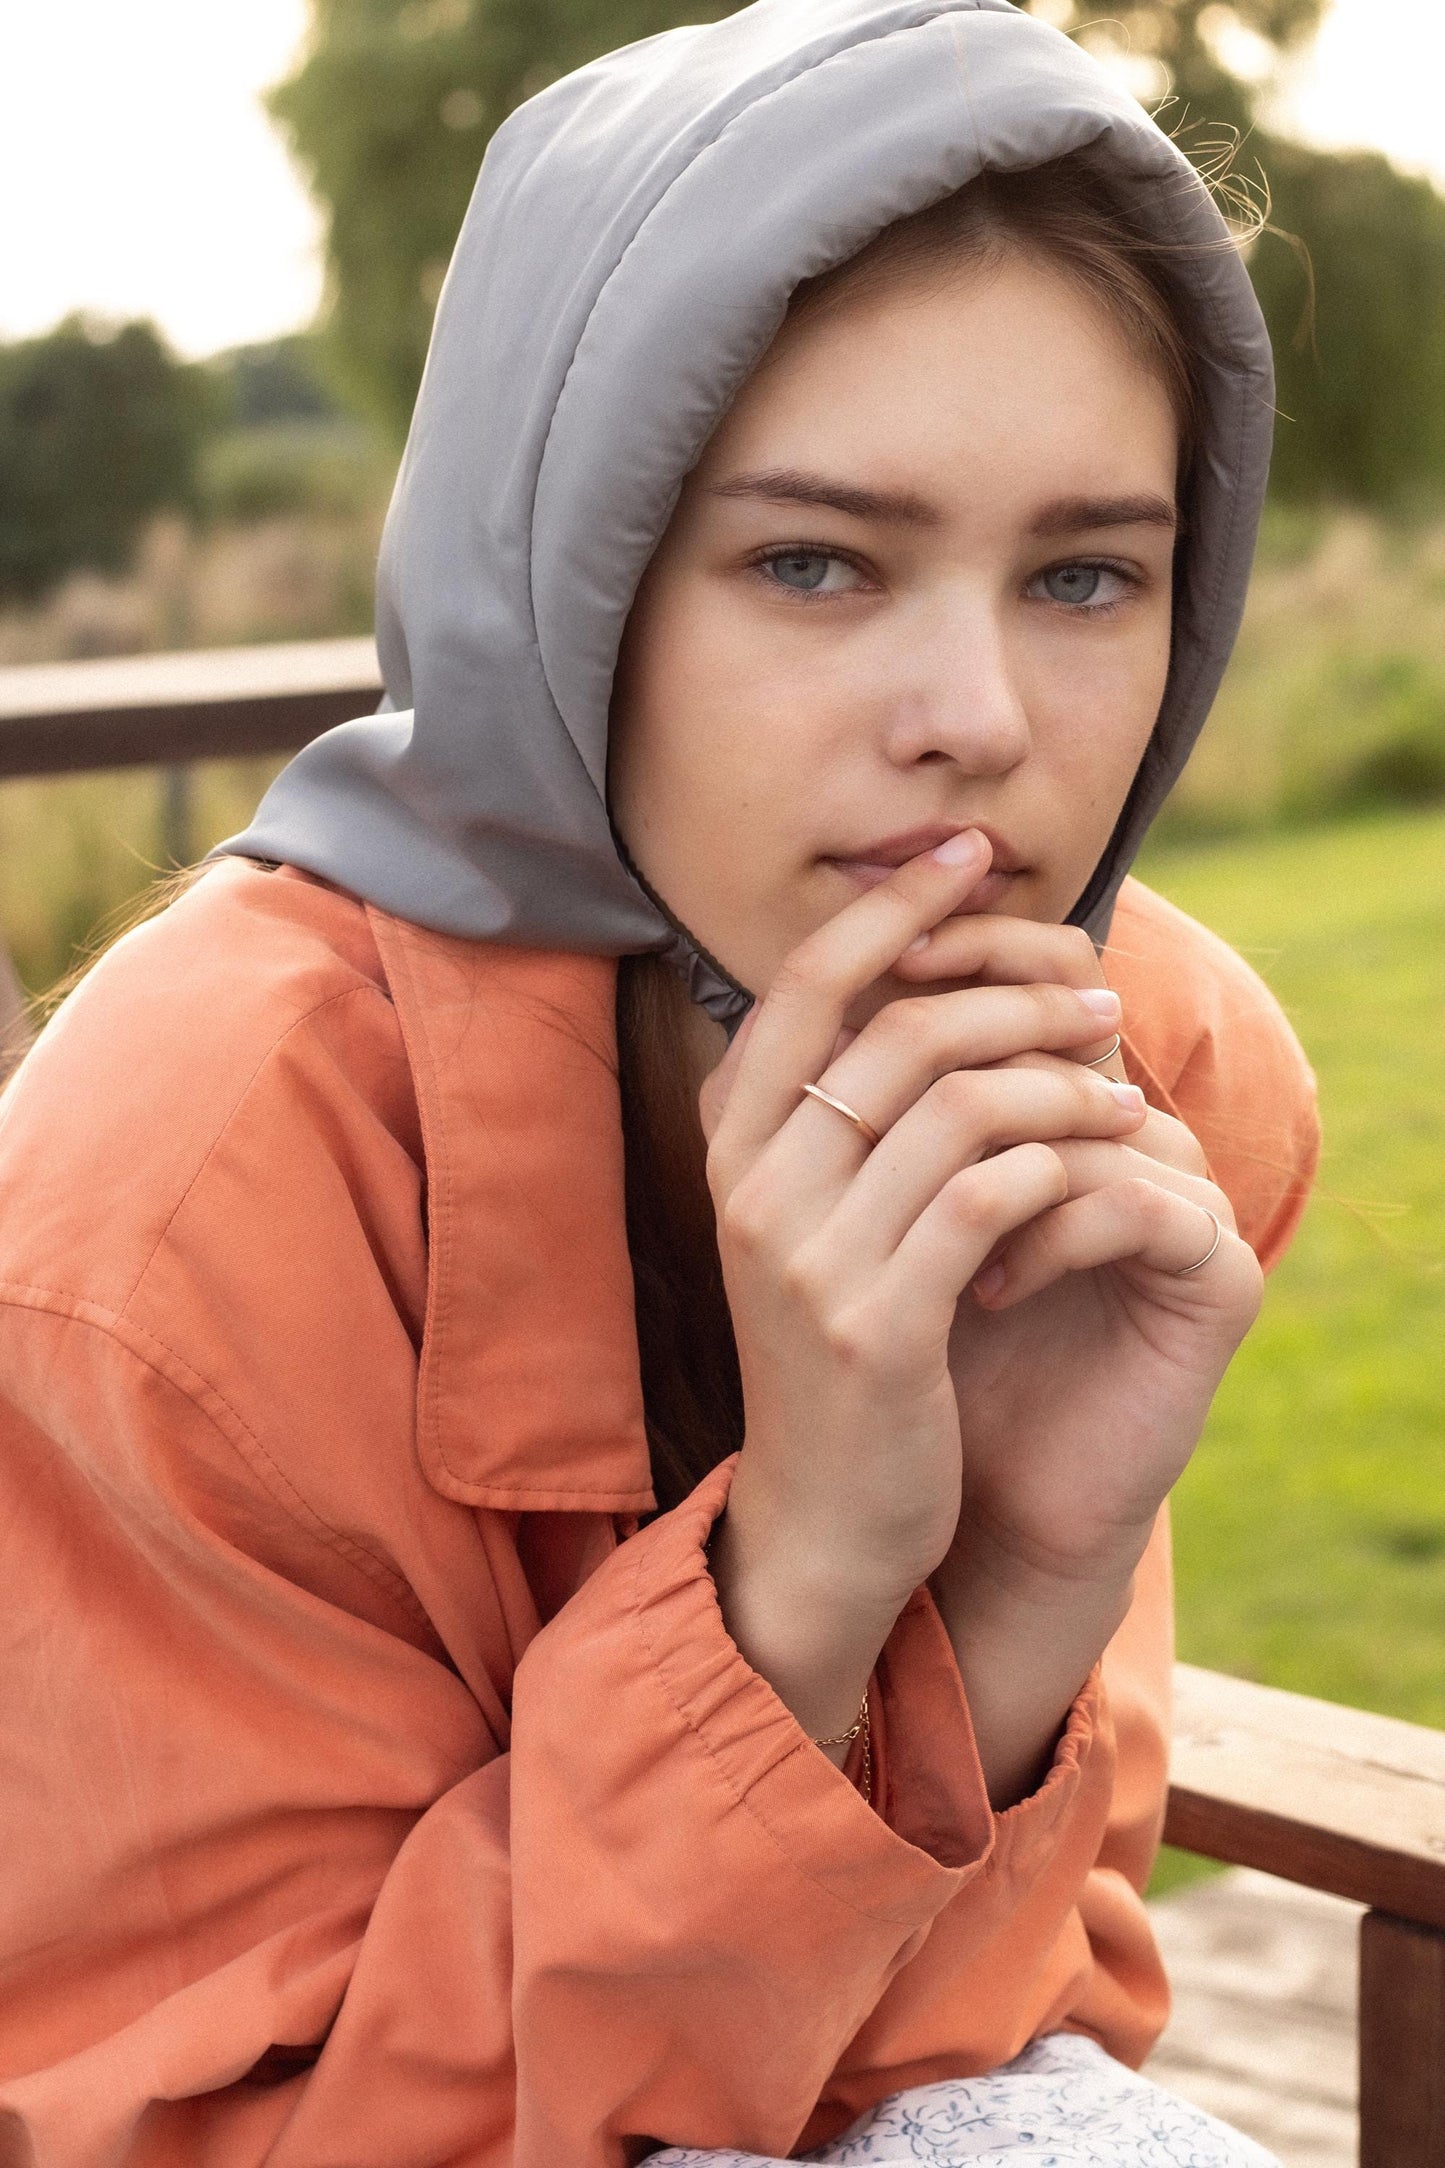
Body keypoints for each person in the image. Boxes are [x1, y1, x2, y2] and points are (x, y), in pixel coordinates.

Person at [0, 2, 1320, 2162]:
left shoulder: (1142, 1082)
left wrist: (1020, 1581)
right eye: (816, 561)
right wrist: (799, 1580)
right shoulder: (169, 1210)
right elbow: (188, 2123)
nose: (980, 714)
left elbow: (989, 2040)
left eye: (1087, 573)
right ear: (563, 587)